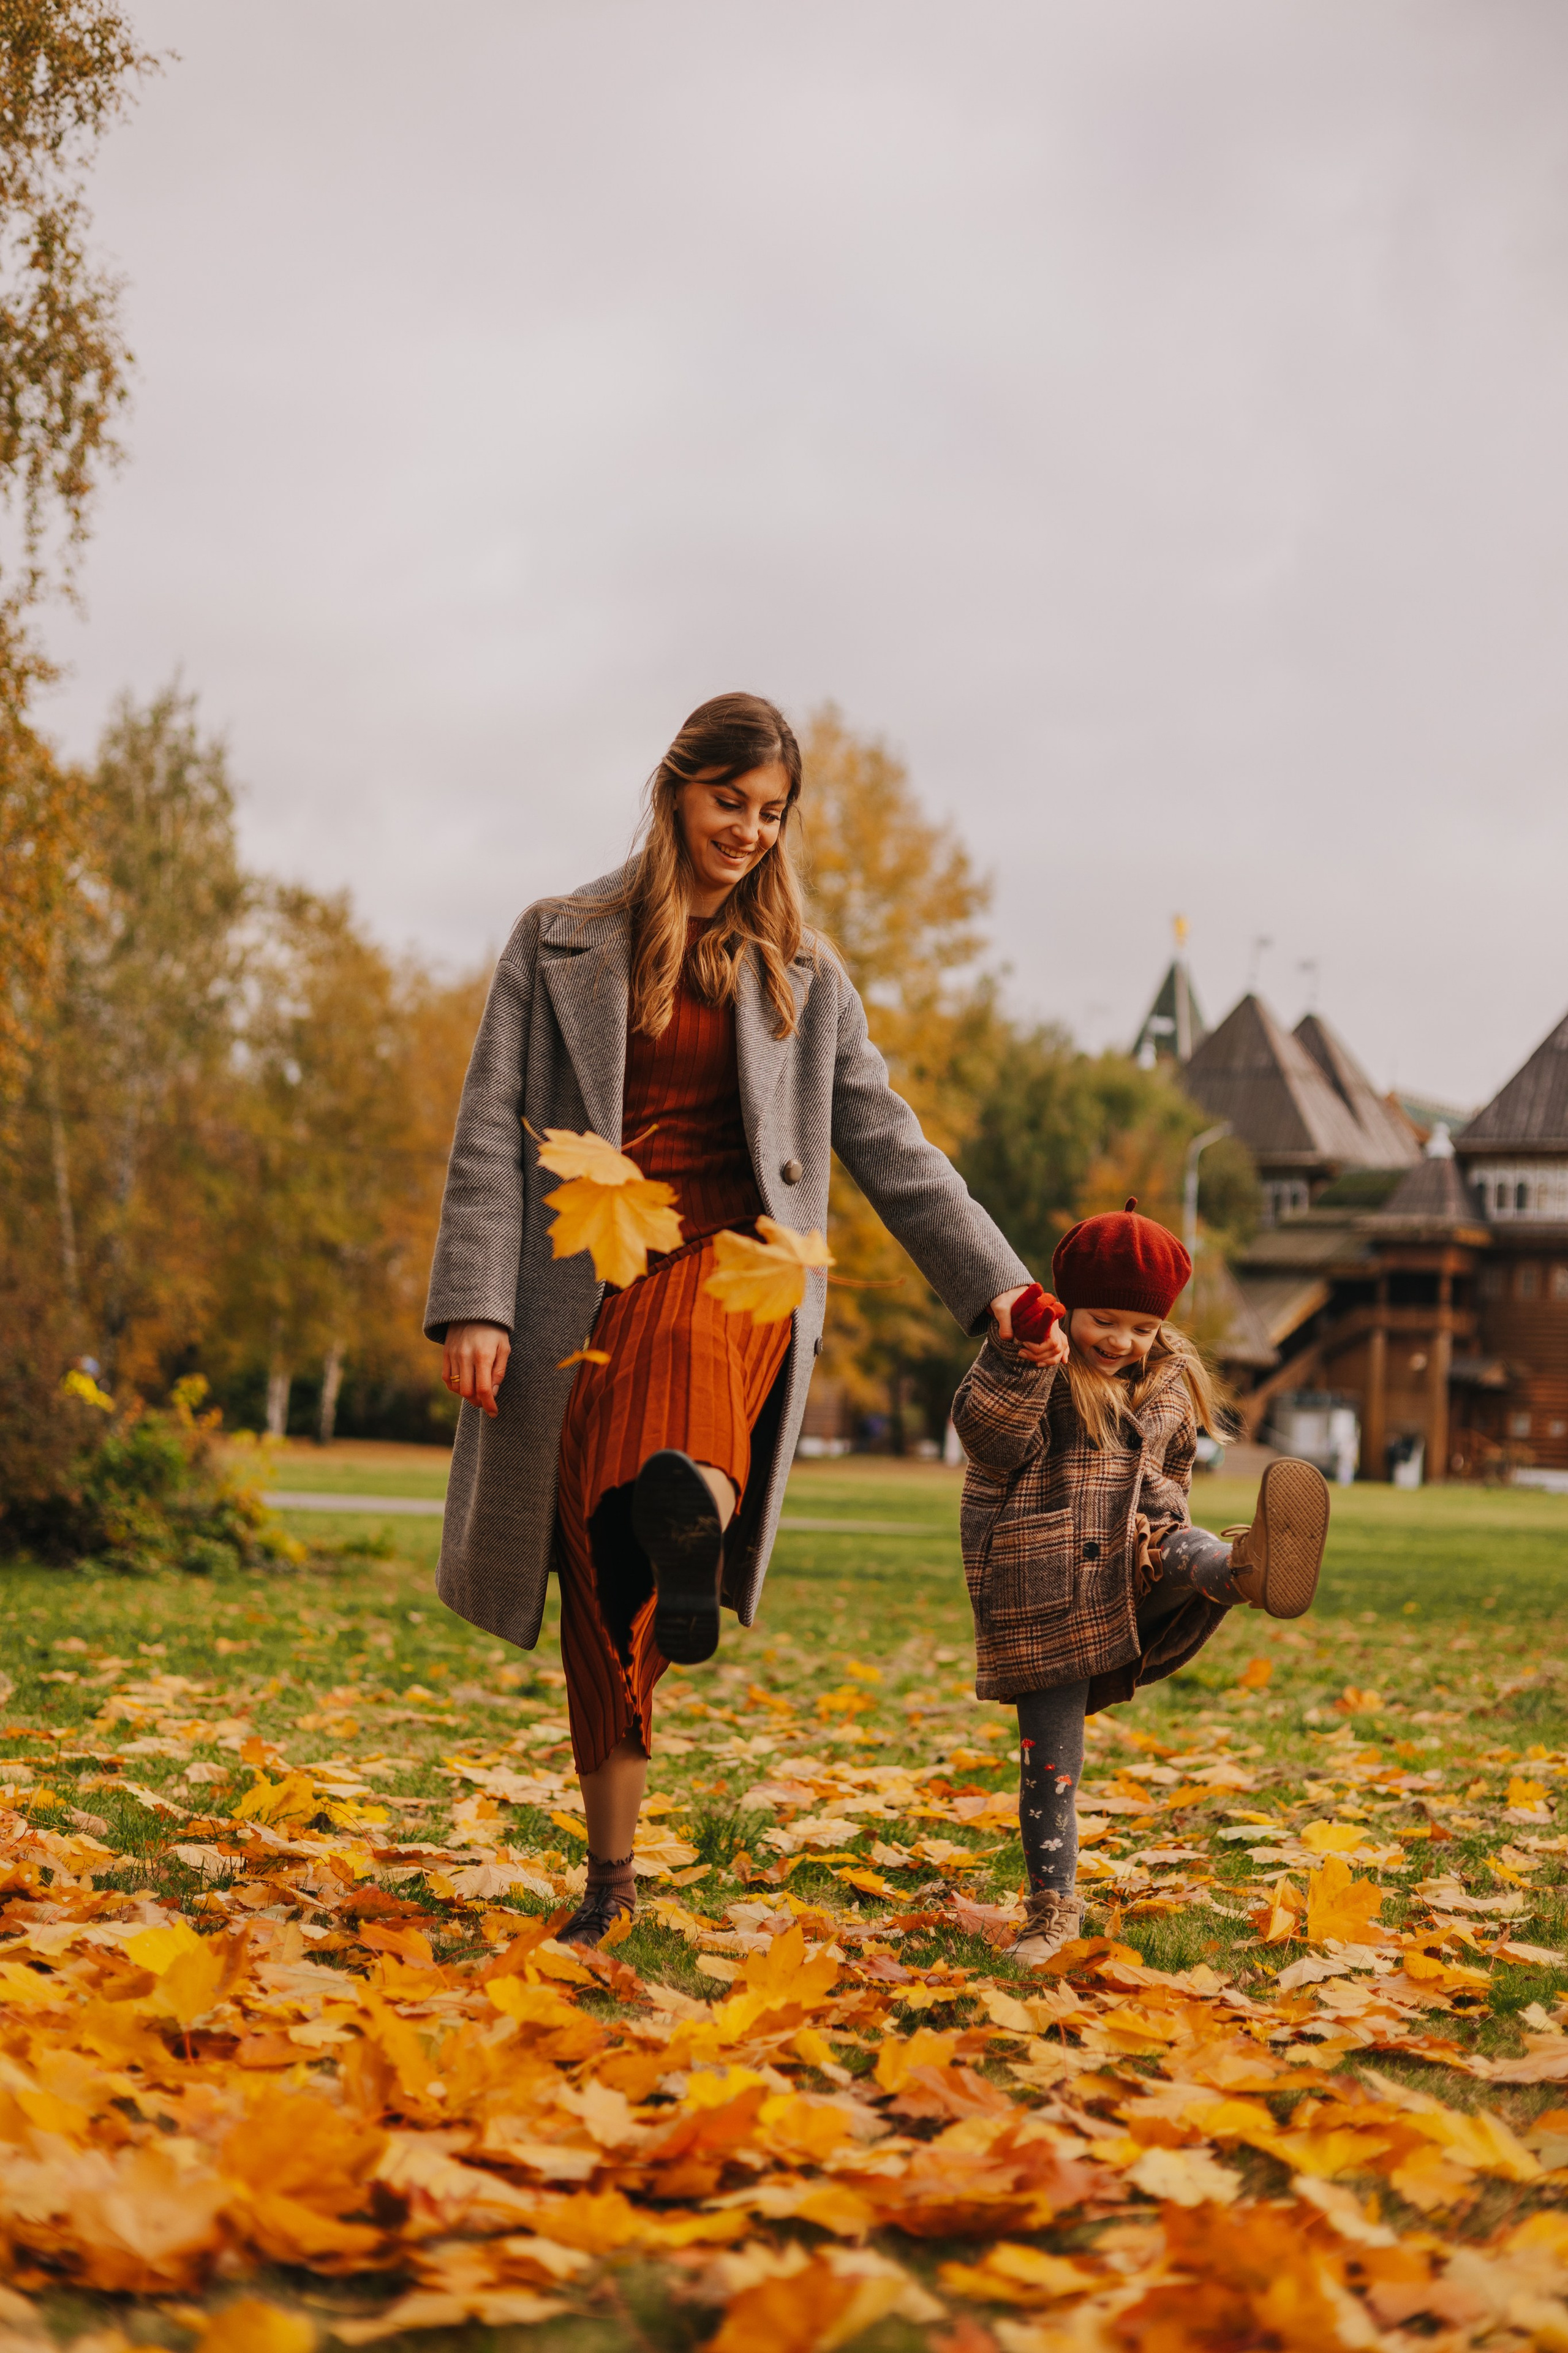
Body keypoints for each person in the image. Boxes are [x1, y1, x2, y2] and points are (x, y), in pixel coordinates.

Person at [425, 692, 1033, 1946]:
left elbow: (887, 1143)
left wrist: (1000, 1284)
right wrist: (475, 1306)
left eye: (771, 814)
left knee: (696, 1359)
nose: (749, 832)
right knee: (604, 1573)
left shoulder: (802, 978)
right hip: (589, 1285)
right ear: (674, 790)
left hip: (743, 1264)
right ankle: (609, 1884)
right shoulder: (556, 941)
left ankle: (689, 1511)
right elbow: (491, 1124)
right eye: (728, 803)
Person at [951, 1199, 1329, 1966]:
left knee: (1176, 1539)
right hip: (1041, 1586)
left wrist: (1160, 1523)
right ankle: (1051, 1908)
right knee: (1051, 1762)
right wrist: (1020, 1354)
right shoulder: (1037, 1367)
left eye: (1142, 1327)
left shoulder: (1164, 1388)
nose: (1121, 1341)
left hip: (1131, 1562)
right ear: (1069, 1308)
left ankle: (1241, 1568)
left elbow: (1169, 1480)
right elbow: (989, 1439)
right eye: (1103, 1320)